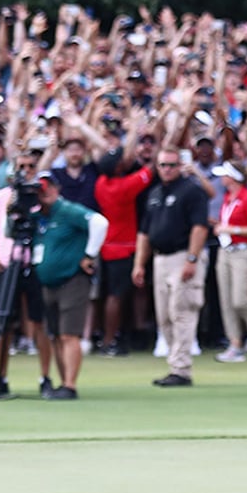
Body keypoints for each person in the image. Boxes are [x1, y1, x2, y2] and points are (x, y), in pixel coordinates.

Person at [0, 152, 59, 398]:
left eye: (31, 166)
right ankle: (1, 377)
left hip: (35, 265)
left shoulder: (41, 197)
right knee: (4, 323)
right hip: (7, 264)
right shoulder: (2, 197)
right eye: (22, 166)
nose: (26, 170)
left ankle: (45, 378)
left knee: (39, 322)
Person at [133, 149, 210, 387]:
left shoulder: (191, 191)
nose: (167, 169)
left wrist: (192, 258)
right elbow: (145, 232)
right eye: (163, 165)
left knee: (182, 311)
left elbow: (200, 227)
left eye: (172, 165)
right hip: (160, 258)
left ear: (180, 166)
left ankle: (181, 368)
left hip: (182, 255)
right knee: (164, 315)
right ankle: (174, 364)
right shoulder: (154, 193)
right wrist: (139, 263)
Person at [31, 171, 109, 400]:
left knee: (68, 334)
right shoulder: (38, 215)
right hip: (48, 283)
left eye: (47, 189)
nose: (43, 194)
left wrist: (89, 254)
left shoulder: (66, 210)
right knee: (55, 334)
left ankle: (70, 384)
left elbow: (99, 222)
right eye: (39, 190)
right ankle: (63, 382)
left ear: (56, 189)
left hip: (71, 279)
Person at [93, 147, 153, 357]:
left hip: (109, 245)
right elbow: (150, 171)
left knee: (113, 295)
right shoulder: (124, 186)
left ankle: (111, 337)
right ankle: (109, 341)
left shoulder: (101, 183)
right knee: (116, 296)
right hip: (123, 247)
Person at [211, 161, 247, 363]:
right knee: (226, 301)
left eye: (225, 175)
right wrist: (222, 227)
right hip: (225, 251)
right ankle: (235, 344)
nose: (221, 178)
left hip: (243, 252)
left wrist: (232, 230)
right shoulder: (228, 197)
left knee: (239, 299)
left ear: (234, 177)